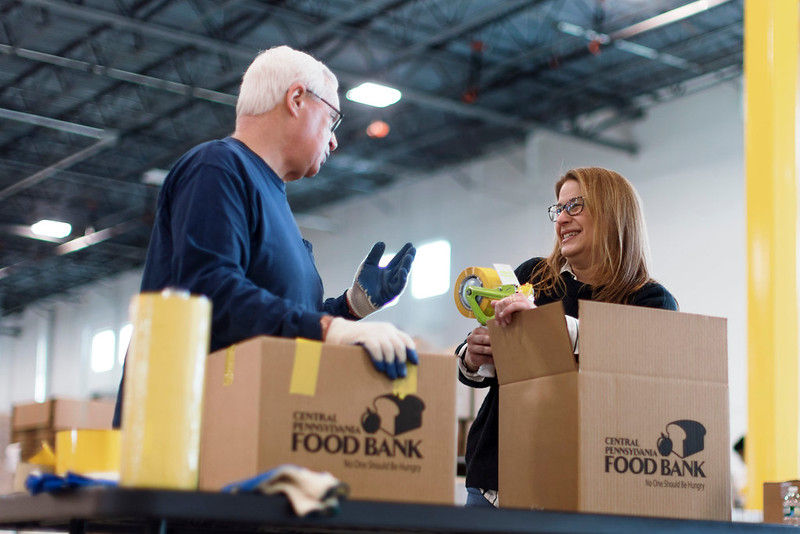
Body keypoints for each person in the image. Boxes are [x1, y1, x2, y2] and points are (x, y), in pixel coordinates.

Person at [113, 45, 417, 427]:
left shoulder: (271, 198)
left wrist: (346, 310)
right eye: (333, 120)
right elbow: (211, 295)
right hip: (182, 432)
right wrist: (327, 329)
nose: (335, 141)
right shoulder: (218, 168)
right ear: (296, 99)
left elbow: (271, 323)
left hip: (242, 426)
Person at [456, 167, 678, 507]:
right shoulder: (532, 276)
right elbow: (481, 359)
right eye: (558, 209)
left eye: (575, 206)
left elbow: (642, 368)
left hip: (586, 485)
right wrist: (474, 357)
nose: (561, 219)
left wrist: (551, 330)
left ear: (612, 212)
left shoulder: (649, 300)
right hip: (494, 479)